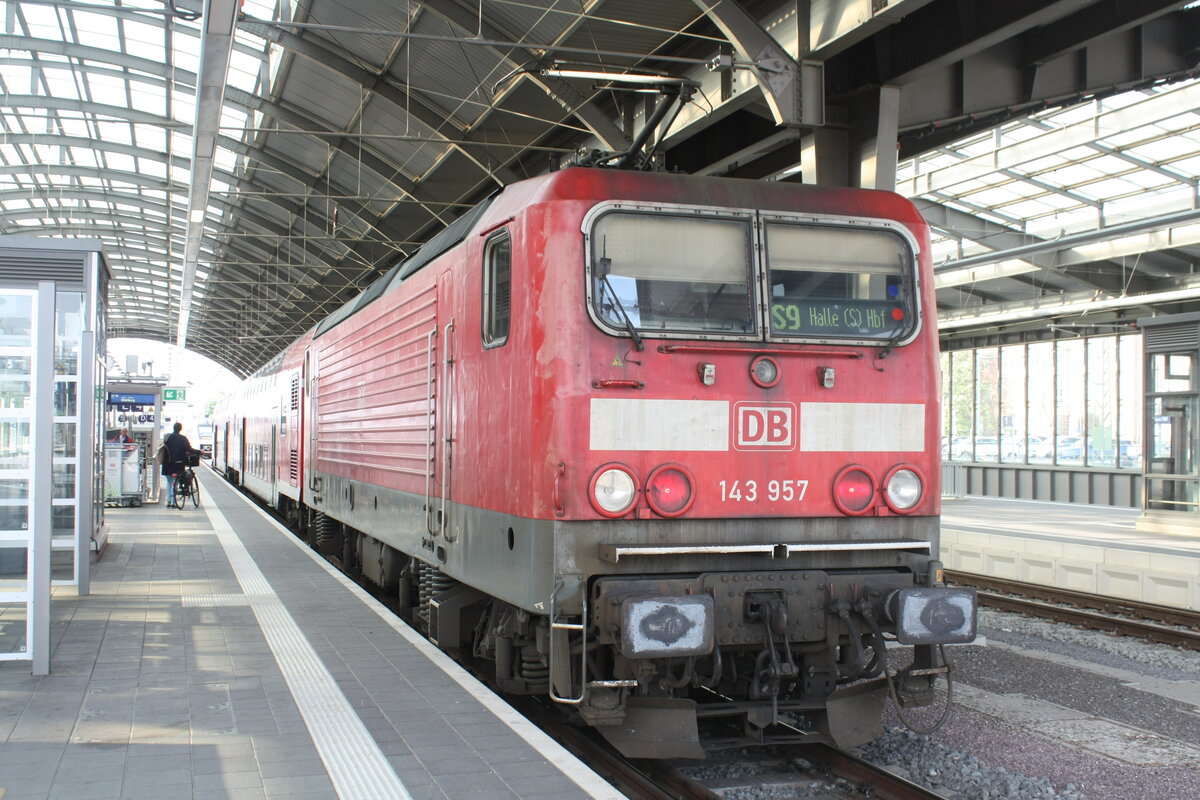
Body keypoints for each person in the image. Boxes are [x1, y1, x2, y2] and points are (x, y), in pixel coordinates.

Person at [161, 422, 201, 506]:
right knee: (174, 481)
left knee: (169, 482)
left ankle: (168, 501)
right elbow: (189, 449)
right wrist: (199, 452)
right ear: (180, 429)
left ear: (173, 428)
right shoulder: (183, 438)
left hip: (167, 463)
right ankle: (174, 502)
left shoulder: (167, 437)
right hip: (178, 464)